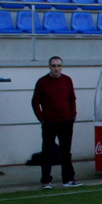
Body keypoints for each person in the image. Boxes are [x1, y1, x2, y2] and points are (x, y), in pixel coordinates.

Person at [31, 56, 80, 189]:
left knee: (65, 152)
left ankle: (68, 179)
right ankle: (46, 180)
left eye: (58, 66)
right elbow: (35, 102)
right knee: (47, 152)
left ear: (62, 67)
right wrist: (42, 119)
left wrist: (73, 115)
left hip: (66, 121)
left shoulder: (67, 80)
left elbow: (72, 99)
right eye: (53, 66)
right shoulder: (42, 82)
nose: (56, 69)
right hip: (49, 122)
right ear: (49, 67)